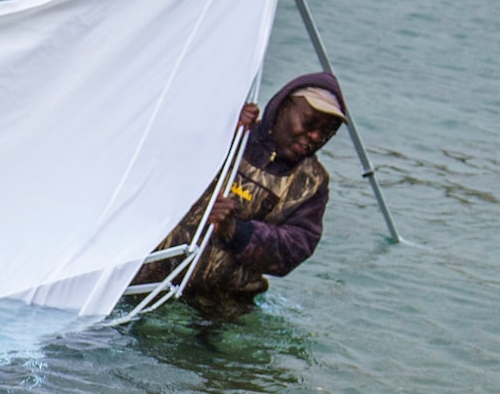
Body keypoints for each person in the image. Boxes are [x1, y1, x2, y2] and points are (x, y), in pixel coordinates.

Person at [144, 73, 349, 318]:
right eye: (309, 122)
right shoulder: (231, 130)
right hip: (147, 279)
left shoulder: (312, 182)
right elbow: (158, 157)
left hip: (223, 306)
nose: (316, 136)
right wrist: (222, 122)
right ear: (282, 107)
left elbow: (296, 248)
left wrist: (236, 231)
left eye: (327, 132)